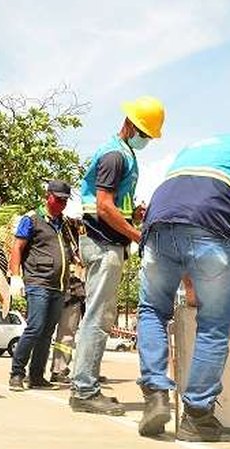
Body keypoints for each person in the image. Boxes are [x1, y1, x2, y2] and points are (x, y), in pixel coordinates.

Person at [135, 132, 230, 441]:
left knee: (152, 311)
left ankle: (156, 395)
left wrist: (191, 281)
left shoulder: (191, 147)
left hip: (158, 225)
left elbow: (181, 223)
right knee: (214, 325)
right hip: (213, 226)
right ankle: (197, 416)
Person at [70, 96, 165, 415]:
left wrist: (134, 214)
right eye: (147, 134)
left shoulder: (123, 154)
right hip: (103, 243)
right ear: (132, 126)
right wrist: (138, 235)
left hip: (107, 242)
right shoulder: (114, 156)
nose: (148, 140)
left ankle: (85, 385)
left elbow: (116, 206)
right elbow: (104, 207)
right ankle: (84, 390)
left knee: (99, 316)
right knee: (98, 317)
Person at [8, 180, 77, 391]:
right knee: (35, 327)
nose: (62, 204)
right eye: (58, 199)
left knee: (47, 332)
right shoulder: (32, 219)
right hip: (38, 282)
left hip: (58, 285)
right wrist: (16, 277)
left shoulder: (64, 224)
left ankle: (36, 375)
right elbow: (17, 247)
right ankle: (17, 373)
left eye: (65, 200)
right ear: (48, 196)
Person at [49, 268, 85, 384]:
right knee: (42, 332)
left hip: (71, 294)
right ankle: (41, 370)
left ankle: (59, 369)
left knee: (66, 336)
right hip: (55, 289)